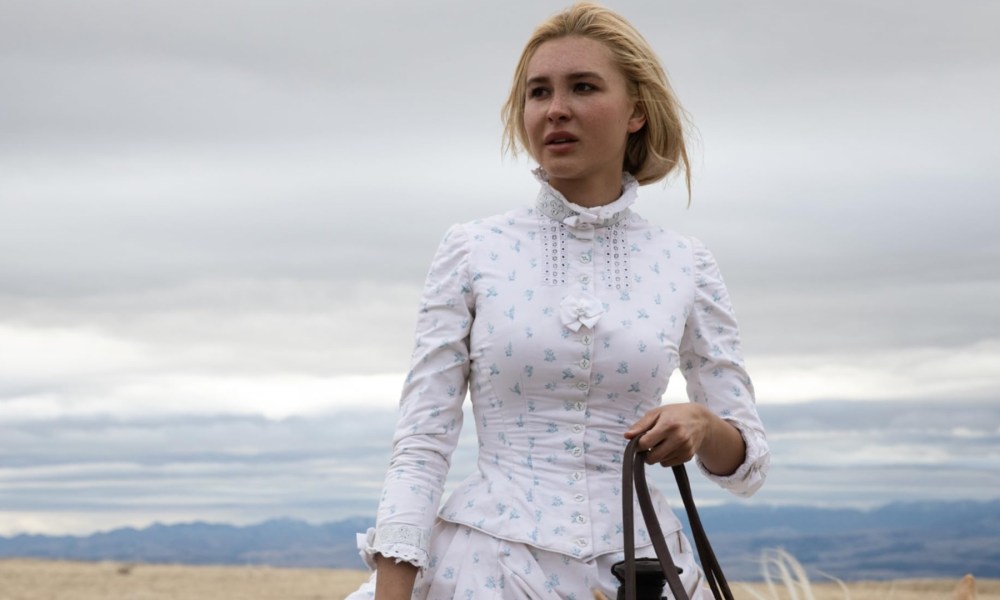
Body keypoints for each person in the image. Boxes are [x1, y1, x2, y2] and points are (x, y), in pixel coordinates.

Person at [346, 3, 769, 598]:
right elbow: (422, 443)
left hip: (644, 568)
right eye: (538, 92)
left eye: (583, 87)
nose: (556, 109)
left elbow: (744, 465)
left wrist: (701, 424)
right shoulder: (472, 250)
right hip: (486, 567)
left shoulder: (686, 263)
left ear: (636, 113)